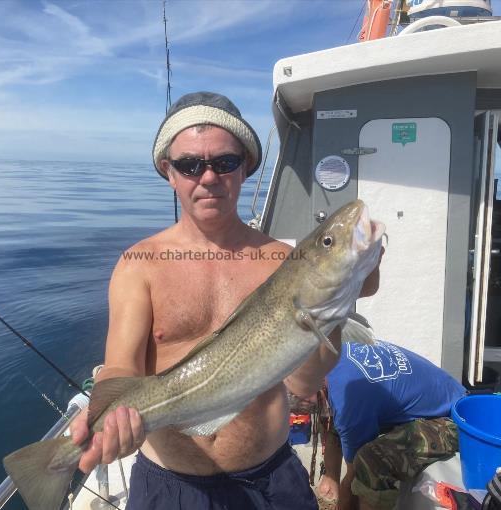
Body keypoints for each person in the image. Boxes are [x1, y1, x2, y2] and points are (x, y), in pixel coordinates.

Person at [70, 91, 337, 509]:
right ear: (169, 172)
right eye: (190, 165)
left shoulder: (285, 263)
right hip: (169, 486)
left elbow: (303, 384)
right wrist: (107, 415)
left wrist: (335, 304)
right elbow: (122, 366)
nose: (208, 177)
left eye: (224, 162)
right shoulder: (138, 264)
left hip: (271, 479)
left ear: (245, 167)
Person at [315, 262, 466, 510]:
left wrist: (343, 496)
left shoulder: (348, 396)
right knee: (331, 416)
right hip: (429, 405)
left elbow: (353, 476)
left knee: (371, 461)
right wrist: (330, 476)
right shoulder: (334, 356)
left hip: (454, 420)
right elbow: (331, 422)